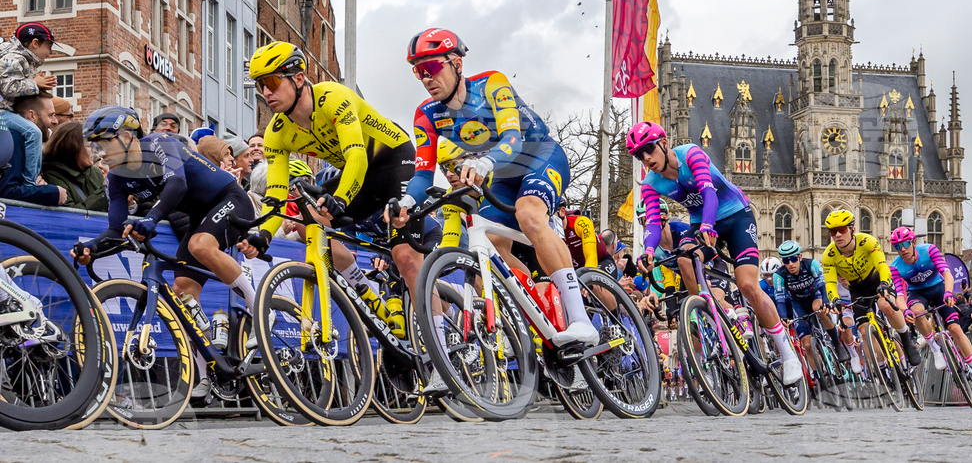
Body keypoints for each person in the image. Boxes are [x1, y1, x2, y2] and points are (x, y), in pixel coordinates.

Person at [392, 28, 599, 352]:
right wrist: (405, 202)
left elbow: (512, 138)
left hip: (539, 156)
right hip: (501, 174)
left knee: (529, 215)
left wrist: (485, 163)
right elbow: (423, 174)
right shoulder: (427, 115)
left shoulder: (491, 84)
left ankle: (580, 319)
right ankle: (541, 307)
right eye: (418, 71)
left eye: (431, 68)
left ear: (456, 63)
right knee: (489, 249)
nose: (425, 78)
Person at [241, 42, 423, 348]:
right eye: (260, 85)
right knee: (304, 217)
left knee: (405, 256)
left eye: (272, 82)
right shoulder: (276, 133)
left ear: (298, 78)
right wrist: (264, 235)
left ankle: (439, 347)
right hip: (359, 174)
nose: (266, 92)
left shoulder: (332, 98)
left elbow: (357, 157)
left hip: (393, 161)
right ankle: (367, 293)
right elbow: (274, 194)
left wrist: (341, 198)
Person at [73, 105, 259, 401]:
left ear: (125, 136)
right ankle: (204, 376)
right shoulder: (116, 178)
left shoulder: (158, 143)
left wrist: (152, 217)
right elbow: (115, 228)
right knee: (182, 291)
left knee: (200, 245)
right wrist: (91, 248)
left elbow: (177, 183)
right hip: (200, 217)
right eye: (94, 145)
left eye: (103, 143)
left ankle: (261, 311)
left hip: (229, 199)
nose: (99, 152)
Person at [625, 120, 802, 385]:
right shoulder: (651, 183)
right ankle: (712, 307)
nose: (646, 157)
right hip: (702, 223)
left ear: (664, 143)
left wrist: (709, 224)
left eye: (649, 149)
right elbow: (652, 221)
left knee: (747, 285)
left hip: (736, 215)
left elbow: (709, 192)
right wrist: (648, 251)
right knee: (685, 256)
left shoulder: (691, 153)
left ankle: (788, 354)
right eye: (640, 154)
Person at [889, 227, 972, 394]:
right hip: (917, 293)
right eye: (897, 247)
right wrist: (905, 310)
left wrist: (949, 292)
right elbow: (900, 295)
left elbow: (947, 274)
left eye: (905, 244)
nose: (903, 249)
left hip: (938, 288)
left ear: (913, 242)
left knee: (955, 329)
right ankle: (935, 349)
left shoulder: (929, 250)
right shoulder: (895, 266)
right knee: (917, 311)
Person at [820, 210, 921, 368]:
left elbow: (882, 265)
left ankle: (906, 340)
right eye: (833, 232)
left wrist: (885, 283)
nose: (838, 235)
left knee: (885, 305)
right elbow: (830, 283)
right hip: (857, 290)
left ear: (853, 229)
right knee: (864, 332)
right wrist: (835, 300)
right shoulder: (829, 255)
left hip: (877, 282)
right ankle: (882, 369)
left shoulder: (867, 241)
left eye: (842, 230)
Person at [0, 23, 68, 183]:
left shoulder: (22, 58)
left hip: (7, 110)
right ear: (35, 43)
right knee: (34, 133)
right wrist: (34, 83)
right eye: (49, 46)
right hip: (2, 111)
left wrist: (37, 83)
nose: (50, 52)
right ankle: (31, 181)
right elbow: (8, 88)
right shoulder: (15, 58)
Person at [774, 240, 847, 367]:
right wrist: (783, 316)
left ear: (800, 257)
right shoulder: (779, 275)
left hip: (815, 296)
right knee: (807, 345)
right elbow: (779, 300)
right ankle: (818, 379)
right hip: (798, 304)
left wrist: (825, 301)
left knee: (819, 308)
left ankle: (836, 343)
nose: (790, 264)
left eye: (793, 259)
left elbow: (822, 285)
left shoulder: (811, 264)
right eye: (786, 261)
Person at [0, 95, 66, 205]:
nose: (55, 121)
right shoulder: (14, 138)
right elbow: (7, 191)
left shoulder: (27, 142)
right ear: (32, 116)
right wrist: (53, 193)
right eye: (51, 115)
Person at [41, 121, 108, 211]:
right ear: (72, 148)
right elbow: (71, 216)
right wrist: (104, 192)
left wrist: (131, 205)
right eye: (89, 146)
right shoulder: (52, 177)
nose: (95, 151)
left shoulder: (95, 173)